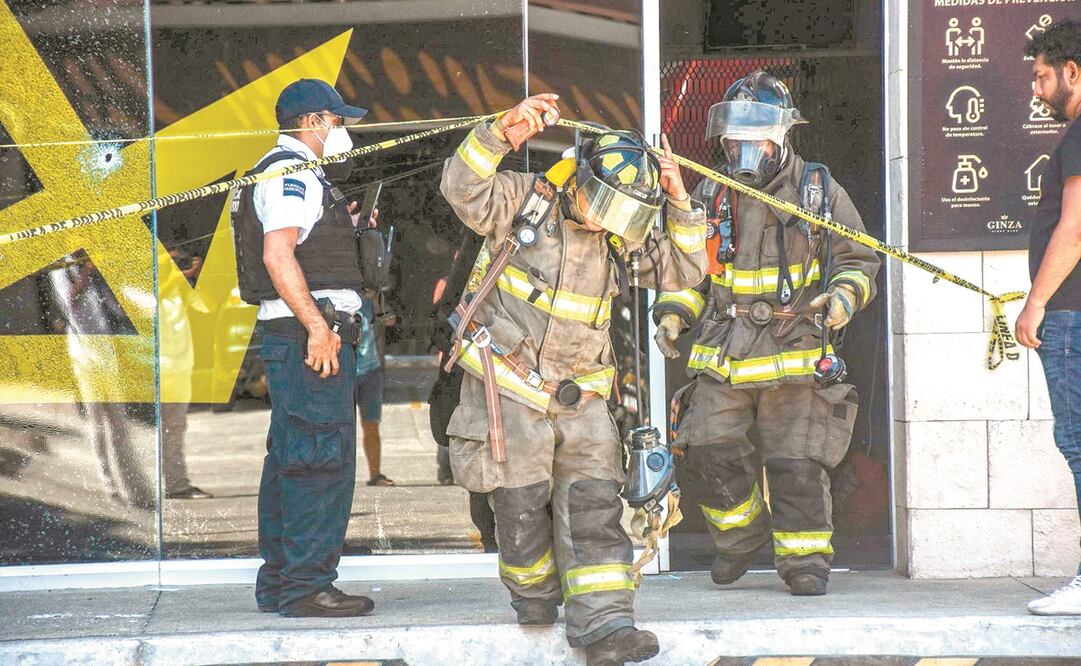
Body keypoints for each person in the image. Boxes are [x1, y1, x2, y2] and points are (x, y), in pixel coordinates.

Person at [440, 93, 706, 665]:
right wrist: (500, 134)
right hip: (506, 387)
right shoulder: (523, 199)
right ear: (583, 176)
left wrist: (680, 199)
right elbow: (461, 188)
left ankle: (607, 626)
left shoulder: (618, 231)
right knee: (520, 506)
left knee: (594, 507)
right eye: (603, 202)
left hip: (582, 395)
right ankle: (534, 595)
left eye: (622, 211)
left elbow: (685, 266)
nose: (606, 219)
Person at [654, 70, 880, 597]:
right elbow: (696, 272)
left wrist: (843, 297)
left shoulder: (817, 191)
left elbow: (858, 257)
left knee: (796, 461)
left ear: (781, 136)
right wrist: (674, 313)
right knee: (707, 447)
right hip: (726, 351)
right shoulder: (711, 194)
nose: (743, 146)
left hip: (796, 350)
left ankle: (804, 562)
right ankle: (740, 538)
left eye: (754, 135)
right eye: (734, 136)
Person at [231, 78, 374, 618]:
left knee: (292, 459)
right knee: (320, 461)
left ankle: (282, 582)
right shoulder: (292, 173)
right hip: (310, 338)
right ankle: (307, 586)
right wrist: (318, 327)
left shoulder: (294, 171)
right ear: (312, 121)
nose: (341, 131)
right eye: (337, 120)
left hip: (299, 337)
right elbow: (278, 254)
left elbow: (301, 248)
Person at [1014, 19, 1081, 616]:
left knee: (1080, 443)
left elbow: (1077, 227)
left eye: (1041, 78)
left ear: (1072, 71)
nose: (1036, 91)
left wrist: (1036, 303)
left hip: (1073, 320)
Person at [355, 292, 395, 487]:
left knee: (371, 424)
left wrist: (376, 301)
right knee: (341, 426)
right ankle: (338, 474)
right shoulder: (341, 299)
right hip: (345, 370)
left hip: (371, 369)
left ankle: (375, 474)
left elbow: (390, 321)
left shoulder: (373, 300)